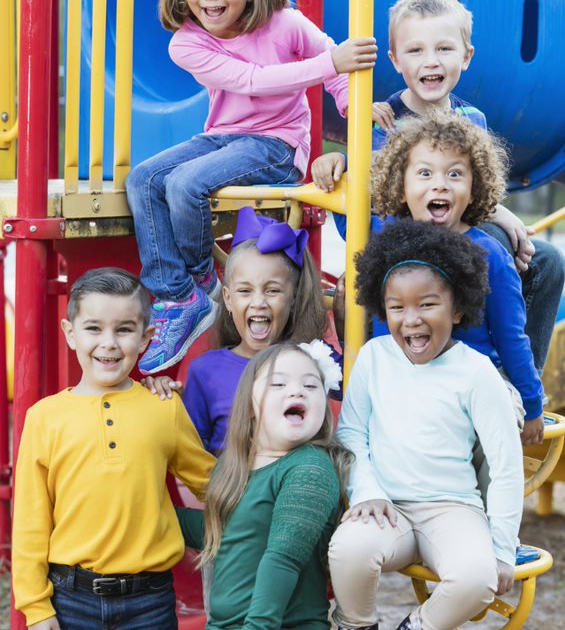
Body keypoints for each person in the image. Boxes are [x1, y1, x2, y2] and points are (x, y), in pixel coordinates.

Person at [125, 0, 377, 376]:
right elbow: (252, 80)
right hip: (221, 138)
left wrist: (351, 105)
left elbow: (335, 63)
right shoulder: (186, 42)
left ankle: (201, 280)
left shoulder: (285, 23)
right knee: (143, 180)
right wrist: (332, 63)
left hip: (277, 144)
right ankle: (180, 296)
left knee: (183, 184)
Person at [311, 0, 564, 372]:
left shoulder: (471, 119)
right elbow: (368, 181)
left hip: (457, 233)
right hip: (402, 244)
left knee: (545, 260)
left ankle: (517, 380)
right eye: (416, 50)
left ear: (466, 56)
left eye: (444, 48)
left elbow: (475, 193)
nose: (431, 61)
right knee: (485, 249)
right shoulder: (381, 119)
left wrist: (501, 214)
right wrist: (337, 162)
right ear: (396, 61)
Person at [329, 219, 524, 630]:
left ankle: (416, 626)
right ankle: (356, 624)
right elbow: (350, 433)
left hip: (453, 509)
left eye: (427, 304)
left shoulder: (477, 372)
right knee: (348, 550)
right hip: (387, 506)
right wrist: (366, 491)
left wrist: (504, 549)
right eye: (397, 307)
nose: (411, 319)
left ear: (457, 308)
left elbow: (506, 465)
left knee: (477, 577)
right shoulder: (374, 357)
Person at [12, 268, 216, 630]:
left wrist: (273, 476)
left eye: (124, 329)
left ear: (146, 338)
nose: (108, 343)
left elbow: (212, 482)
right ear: (70, 334)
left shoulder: (163, 406)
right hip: (71, 599)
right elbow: (30, 520)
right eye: (93, 328)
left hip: (150, 601)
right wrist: (36, 607)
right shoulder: (44, 417)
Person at [366, 113, 546, 447]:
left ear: (474, 188)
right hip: (406, 382)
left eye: (454, 173)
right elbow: (341, 201)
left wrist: (533, 404)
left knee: (488, 419)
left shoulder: (489, 254)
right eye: (424, 173)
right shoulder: (387, 242)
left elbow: (511, 337)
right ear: (400, 186)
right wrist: (335, 160)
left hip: (476, 387)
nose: (440, 183)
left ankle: (483, 496)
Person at [174, 341, 349, 630]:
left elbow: (283, 559)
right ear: (250, 405)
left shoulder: (310, 468)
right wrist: (155, 513)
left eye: (311, 385)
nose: (296, 391)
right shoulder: (233, 466)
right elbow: (226, 534)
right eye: (278, 384)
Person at [143, 205, 340, 455]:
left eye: (272, 290)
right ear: (227, 299)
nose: (258, 302)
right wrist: (159, 397)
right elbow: (192, 458)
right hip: (230, 492)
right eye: (245, 291)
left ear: (293, 297)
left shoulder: (312, 362)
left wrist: (344, 326)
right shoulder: (205, 371)